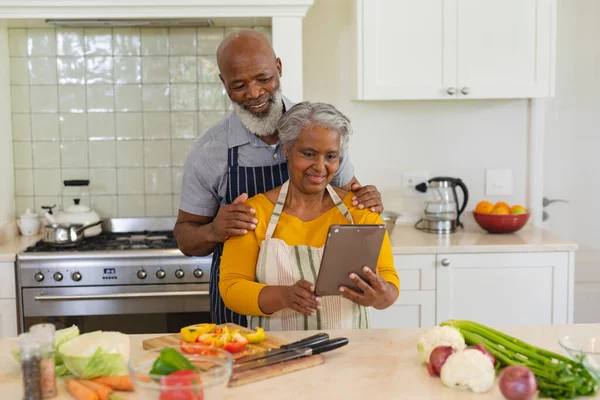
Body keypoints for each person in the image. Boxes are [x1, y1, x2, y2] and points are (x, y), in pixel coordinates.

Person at [174, 29, 385, 327]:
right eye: (239, 85)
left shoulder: (321, 131)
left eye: (263, 79)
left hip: (325, 310)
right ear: (223, 83)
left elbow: (350, 203)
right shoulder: (210, 152)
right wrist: (214, 230)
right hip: (241, 313)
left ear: (279, 68)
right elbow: (185, 236)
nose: (254, 93)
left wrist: (369, 199)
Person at [219, 102, 399, 330]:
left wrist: (380, 296)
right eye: (309, 154)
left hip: (350, 354)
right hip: (277, 354)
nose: (320, 167)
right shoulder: (253, 214)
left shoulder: (359, 212)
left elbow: (389, 282)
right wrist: (283, 296)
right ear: (286, 148)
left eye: (331, 156)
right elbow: (231, 288)